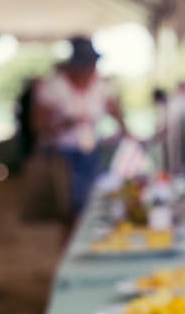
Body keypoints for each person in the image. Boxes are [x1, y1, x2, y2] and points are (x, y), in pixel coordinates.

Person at [33, 36, 126, 219]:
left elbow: (115, 110)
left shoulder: (100, 85)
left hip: (92, 149)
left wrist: (125, 131)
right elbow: (39, 124)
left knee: (92, 200)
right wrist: (66, 124)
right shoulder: (54, 86)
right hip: (64, 153)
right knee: (73, 207)